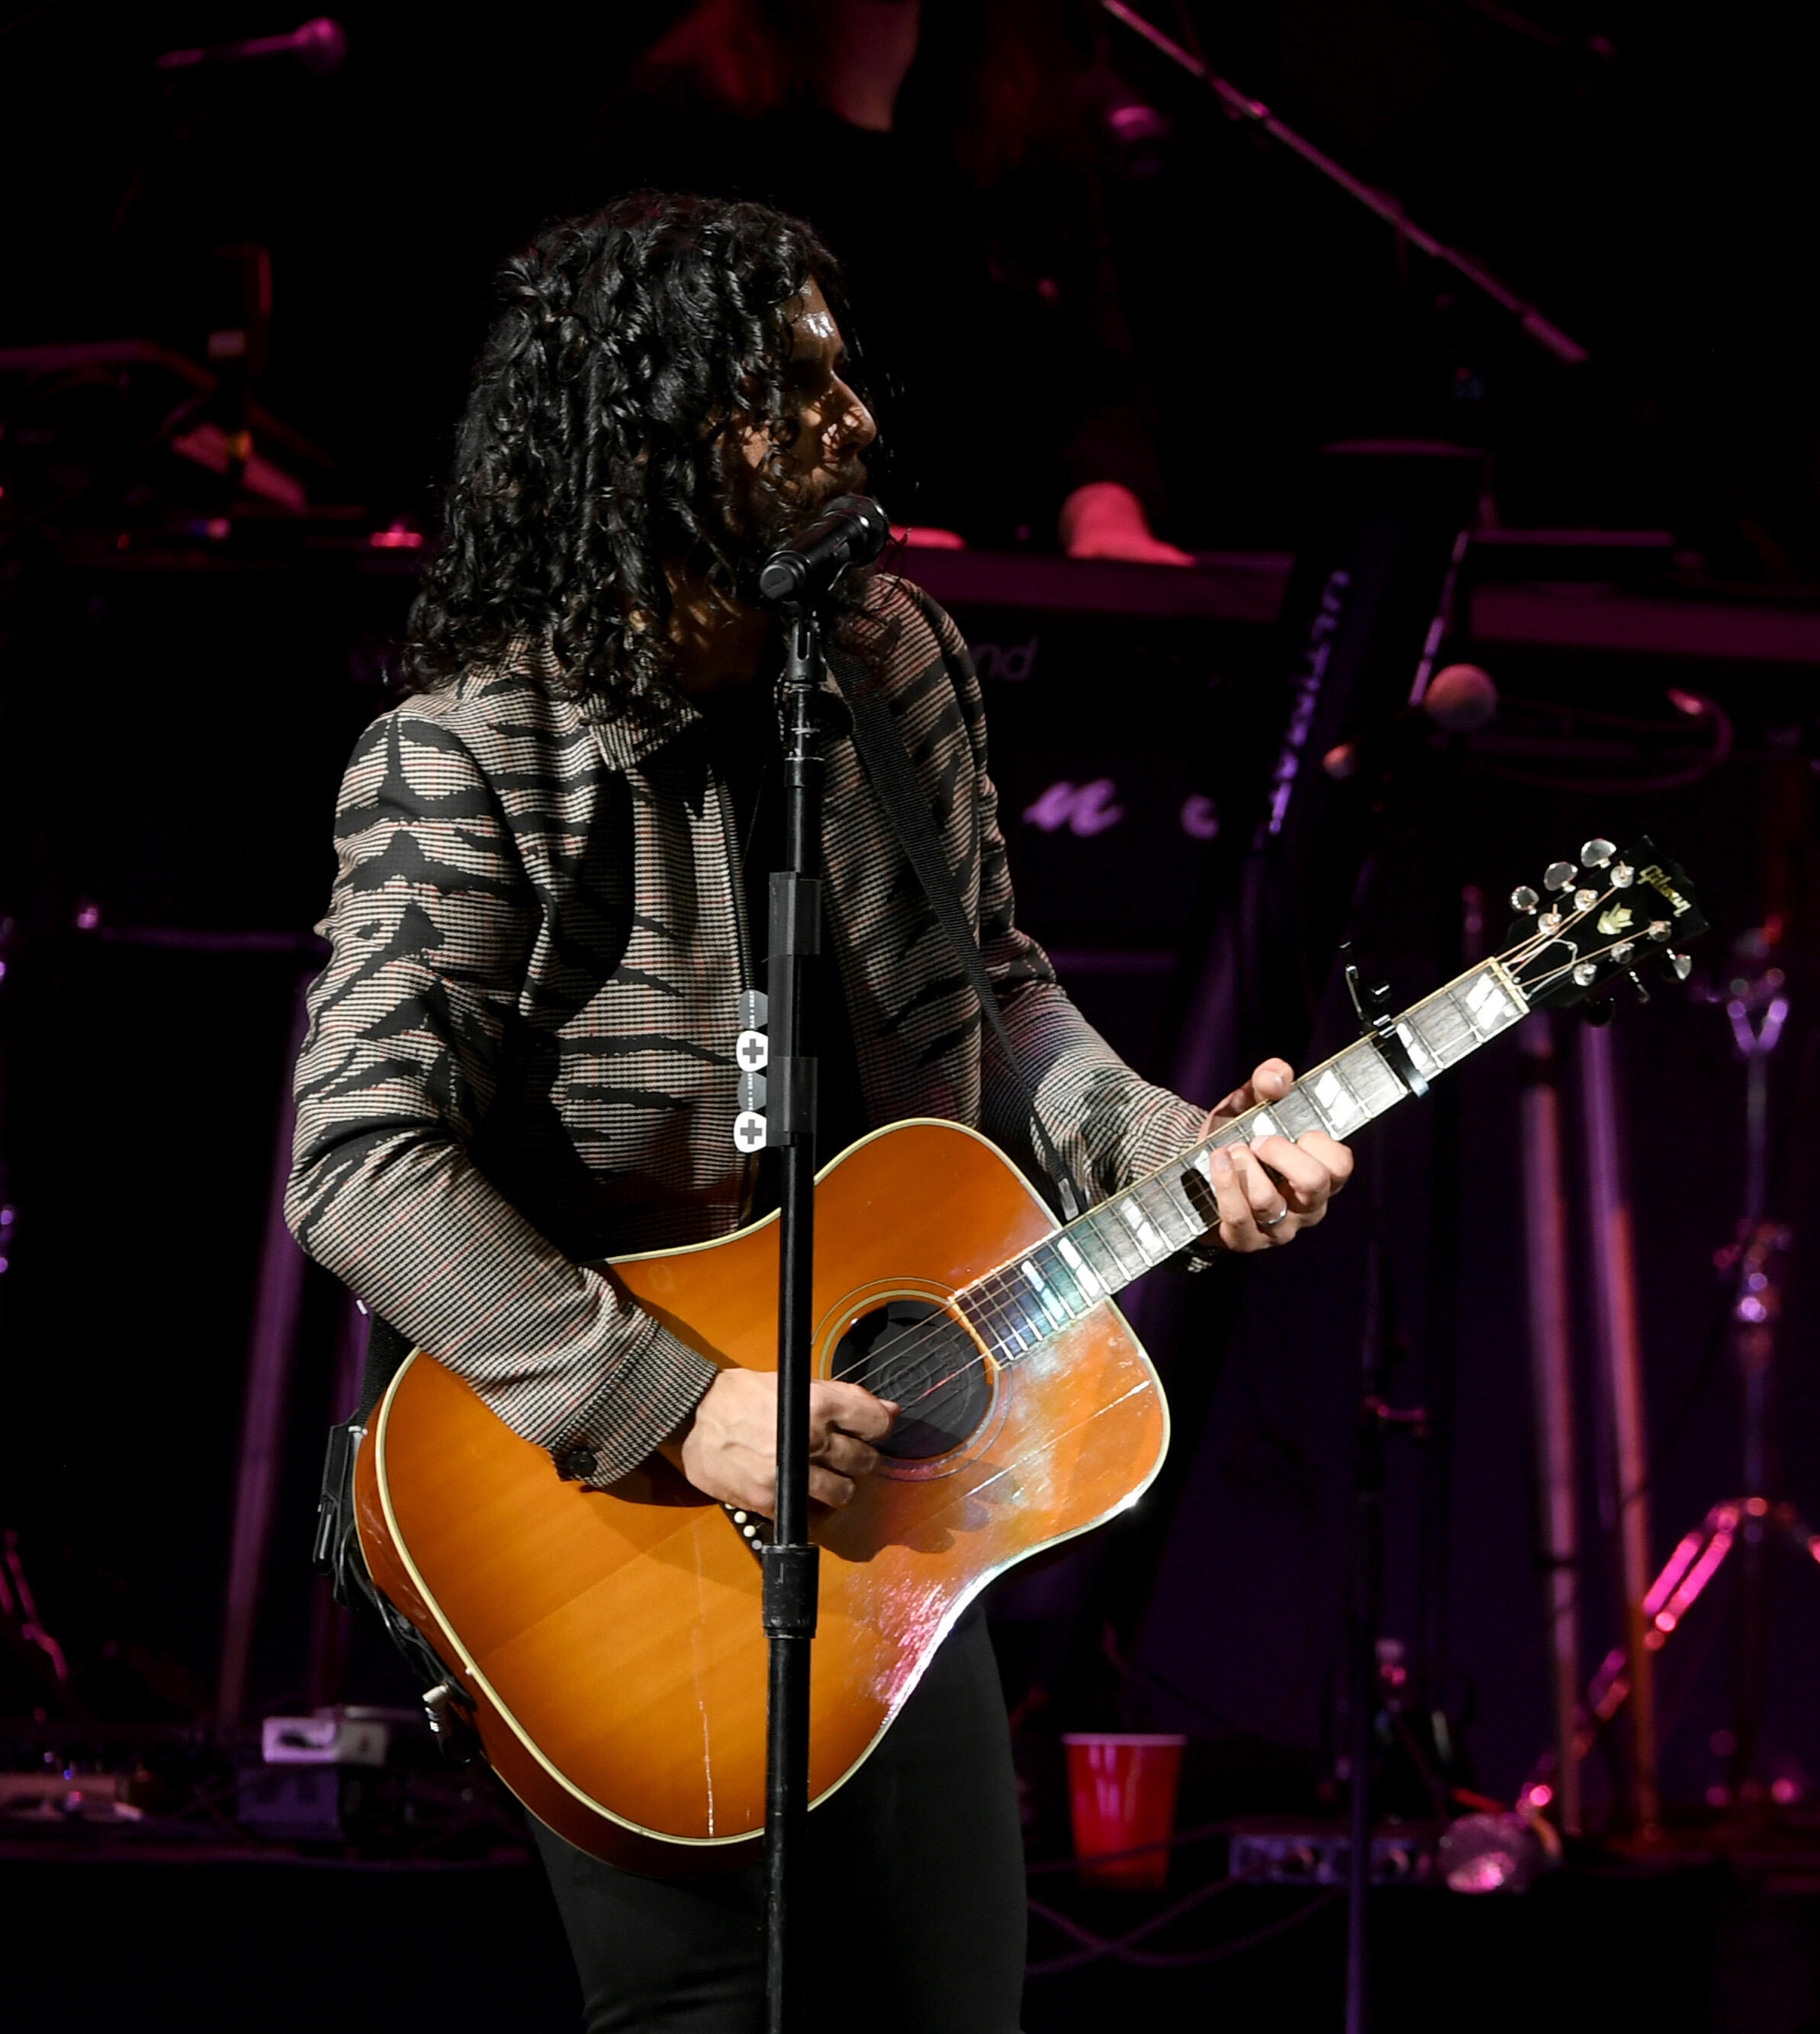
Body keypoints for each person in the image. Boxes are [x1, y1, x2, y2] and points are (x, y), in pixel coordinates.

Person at [285, 193, 1346, 2032]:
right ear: (648, 431)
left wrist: (1166, 1146)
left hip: (872, 1470)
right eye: (783, 388)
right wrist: (677, 1407)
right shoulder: (472, 749)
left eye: (839, 374)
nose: (847, 418)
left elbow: (990, 990)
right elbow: (359, 1162)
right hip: (603, 1485)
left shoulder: (892, 657)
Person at [583, 0, 1192, 564]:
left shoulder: (1019, 129)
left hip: (989, 576)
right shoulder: (682, 122)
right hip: (757, 592)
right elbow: (642, 395)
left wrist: (1105, 519)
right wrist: (826, 526)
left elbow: (1088, 380)